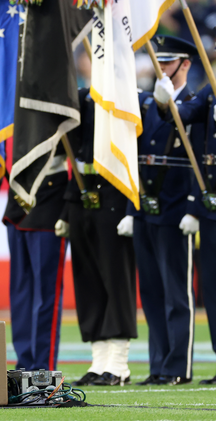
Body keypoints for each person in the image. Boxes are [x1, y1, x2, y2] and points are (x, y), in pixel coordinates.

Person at [153, 24, 216, 385]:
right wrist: (164, 99)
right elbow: (180, 117)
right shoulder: (210, 92)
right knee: (214, 290)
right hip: (213, 204)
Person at [120, 36, 201, 386]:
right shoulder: (148, 103)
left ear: (185, 65)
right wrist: (131, 208)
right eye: (159, 61)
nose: (161, 67)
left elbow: (198, 160)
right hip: (146, 209)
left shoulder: (196, 103)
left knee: (176, 295)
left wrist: (193, 207)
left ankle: (177, 367)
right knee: (151, 293)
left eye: (169, 62)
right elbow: (136, 159)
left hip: (175, 209)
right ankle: (158, 364)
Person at [55, 88, 138, 387]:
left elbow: (133, 155)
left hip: (115, 199)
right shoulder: (83, 99)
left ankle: (118, 364)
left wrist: (132, 208)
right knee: (88, 283)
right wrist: (67, 210)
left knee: (116, 282)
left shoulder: (125, 98)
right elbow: (75, 154)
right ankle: (99, 360)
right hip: (82, 199)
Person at [2, 152, 68, 372]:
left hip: (50, 199)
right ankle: (24, 364)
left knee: (46, 293)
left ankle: (42, 368)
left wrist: (67, 212)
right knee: (20, 294)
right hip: (17, 202)